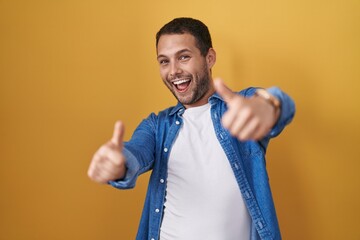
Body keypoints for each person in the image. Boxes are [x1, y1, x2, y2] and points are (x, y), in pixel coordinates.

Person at [87, 17, 295, 240]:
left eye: (183, 57)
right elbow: (135, 153)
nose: (174, 71)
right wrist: (118, 164)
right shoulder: (157, 126)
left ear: (209, 58)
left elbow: (278, 104)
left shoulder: (240, 107)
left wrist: (268, 106)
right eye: (164, 61)